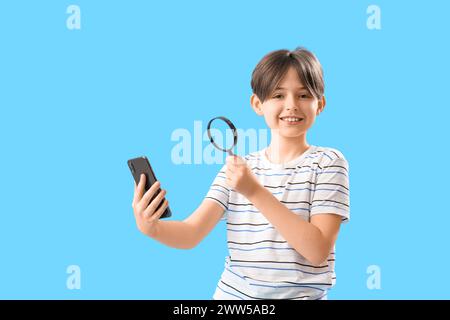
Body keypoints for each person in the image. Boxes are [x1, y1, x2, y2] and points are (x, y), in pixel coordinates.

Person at [132, 47, 350, 300]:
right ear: (258, 104)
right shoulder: (237, 171)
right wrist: (151, 228)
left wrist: (254, 191)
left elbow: (317, 249)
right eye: (278, 95)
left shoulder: (328, 163)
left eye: (303, 95)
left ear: (319, 104)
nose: (291, 105)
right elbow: (191, 233)